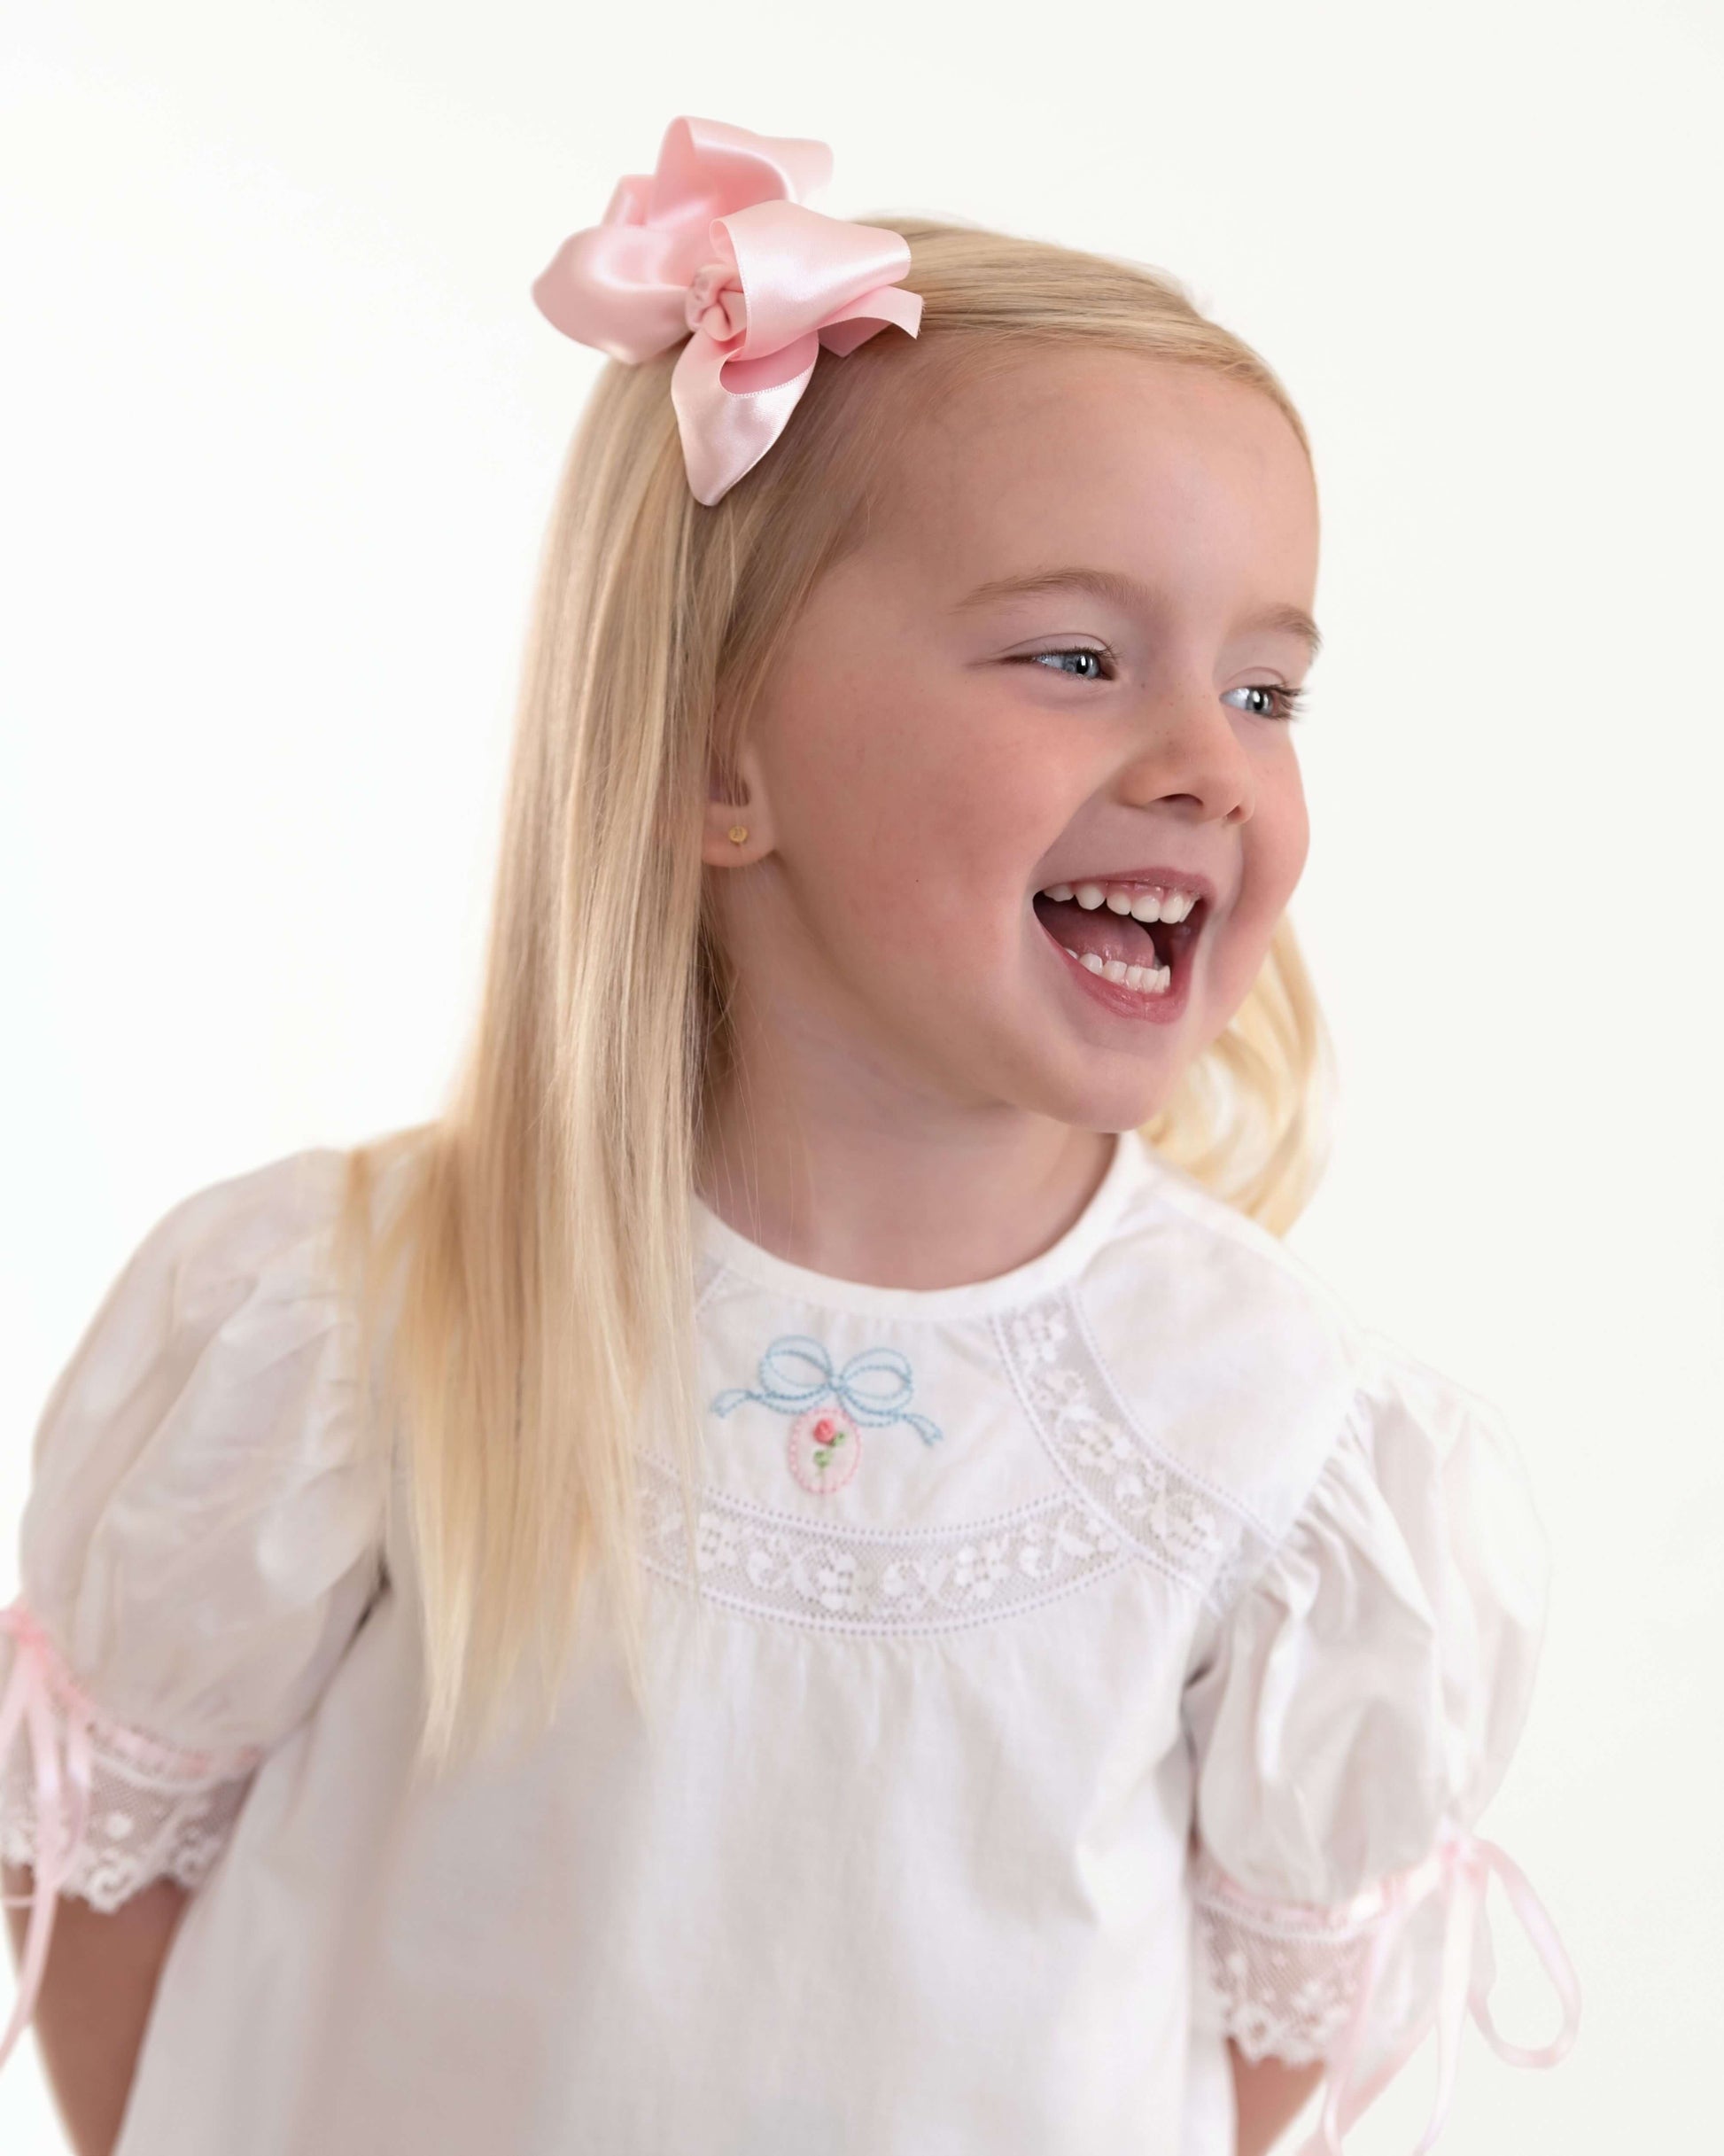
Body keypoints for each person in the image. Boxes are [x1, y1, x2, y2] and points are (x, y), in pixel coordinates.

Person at [0, 114, 1578, 2156]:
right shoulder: (363, 1320)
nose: (1209, 764)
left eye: (1266, 692)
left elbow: (1245, 2060)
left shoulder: (1274, 1443)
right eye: (1077, 657)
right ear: (716, 752)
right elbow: (99, 1876)